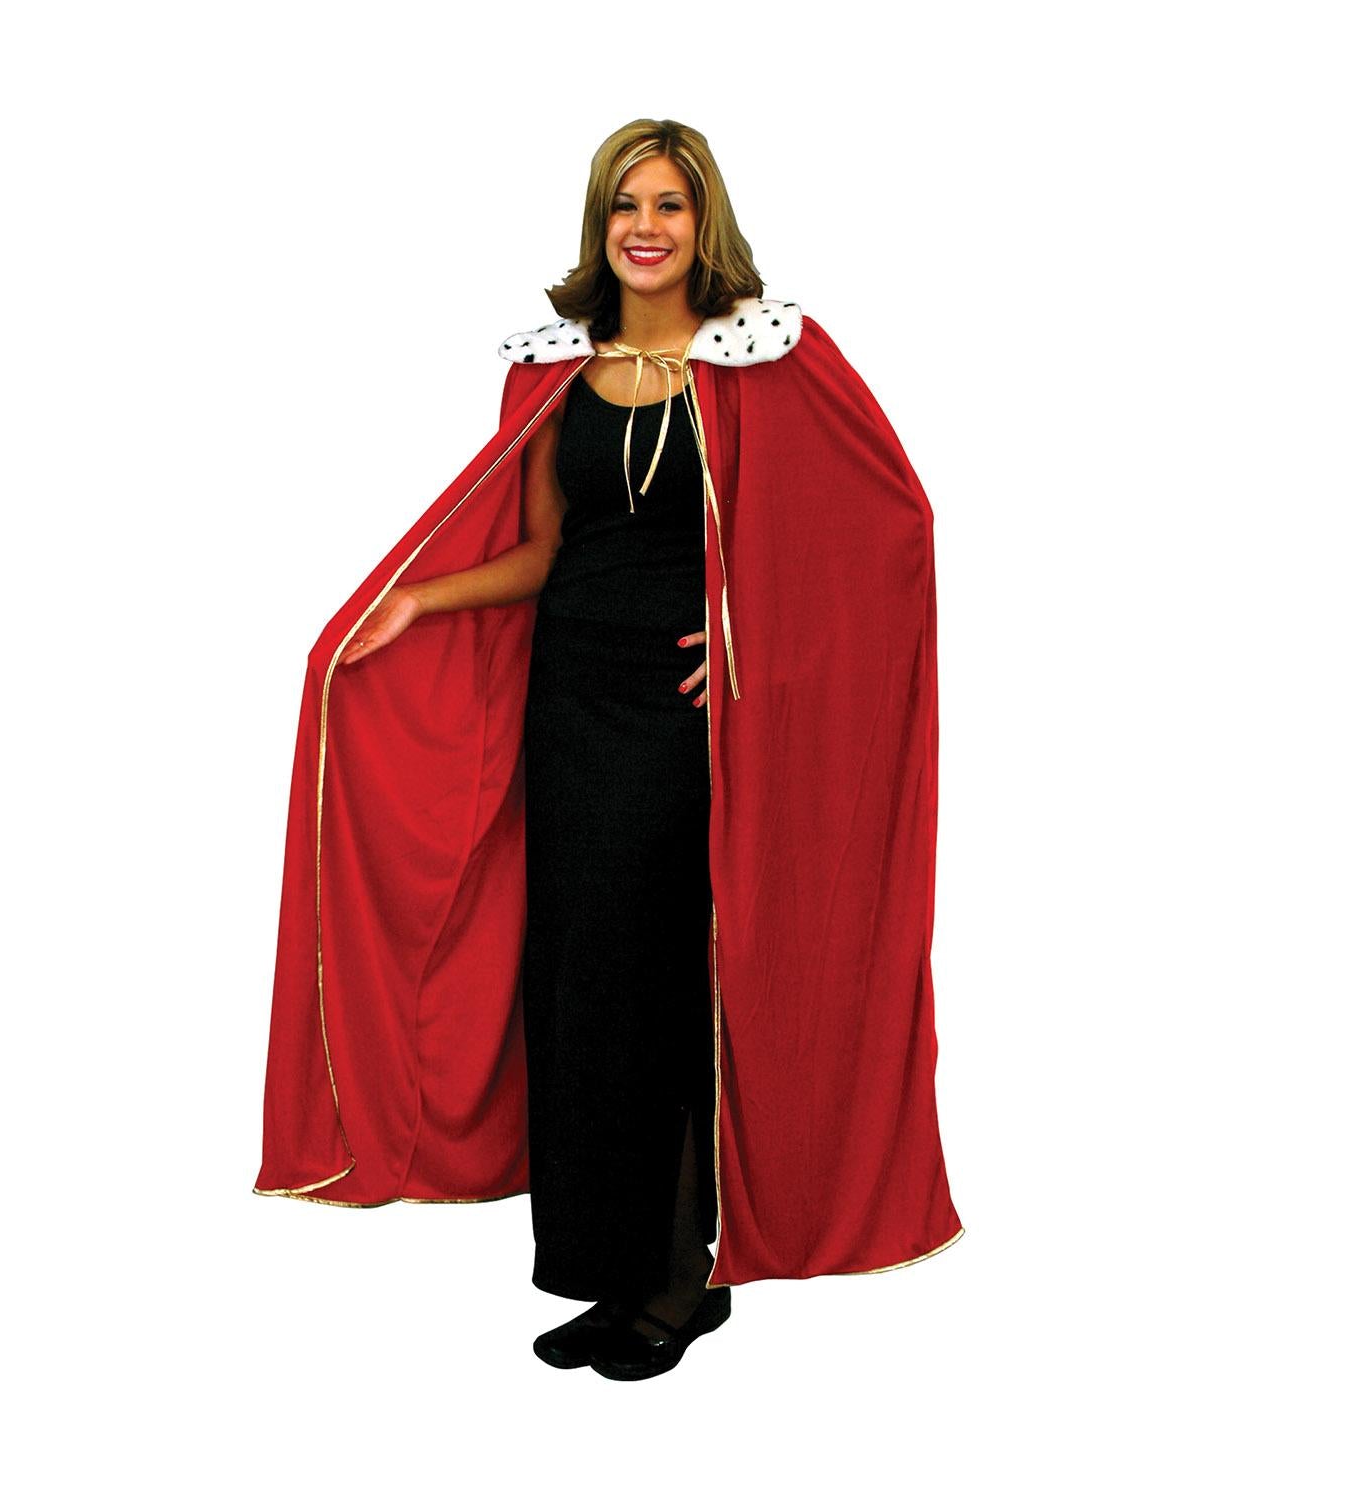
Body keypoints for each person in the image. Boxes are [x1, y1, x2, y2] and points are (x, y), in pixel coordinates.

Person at [253, 118, 965, 1383]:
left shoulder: (767, 357)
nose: (647, 227)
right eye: (626, 205)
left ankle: (682, 1282)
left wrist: (754, 641)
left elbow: (892, 532)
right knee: (580, 990)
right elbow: (542, 551)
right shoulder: (554, 370)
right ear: (601, 225)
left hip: (686, 725)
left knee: (661, 985)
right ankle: (613, 1271)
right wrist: (419, 601)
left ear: (705, 224)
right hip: (570, 706)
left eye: (670, 206)